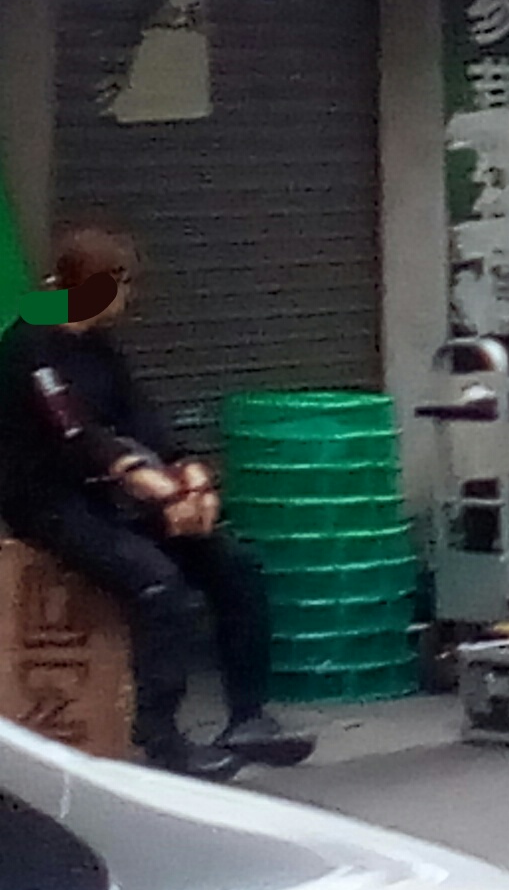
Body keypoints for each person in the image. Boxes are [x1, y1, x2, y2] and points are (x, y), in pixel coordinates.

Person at [0, 229, 313, 780]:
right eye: (123, 285)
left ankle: (248, 717)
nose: (129, 298)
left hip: (109, 496)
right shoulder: (30, 343)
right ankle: (161, 737)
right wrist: (144, 479)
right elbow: (75, 431)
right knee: (159, 586)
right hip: (46, 499)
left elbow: (141, 417)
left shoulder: (99, 345)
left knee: (232, 565)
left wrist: (190, 473)